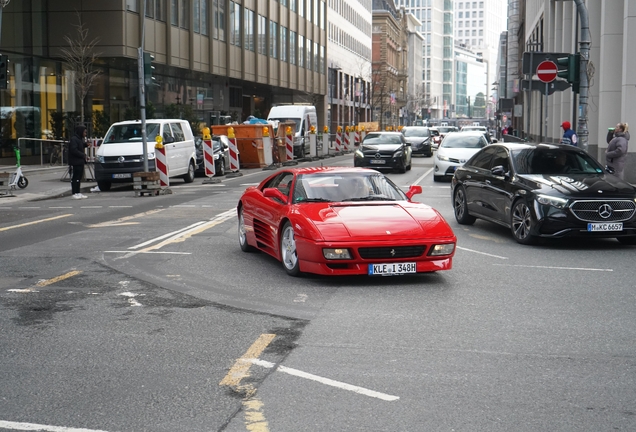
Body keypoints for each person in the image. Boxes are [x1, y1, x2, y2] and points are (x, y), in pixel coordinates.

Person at [68, 125, 88, 199]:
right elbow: (74, 150)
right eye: (84, 132)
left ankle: (78, 192)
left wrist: (85, 145)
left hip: (80, 161)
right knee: (75, 177)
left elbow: (80, 146)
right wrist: (82, 155)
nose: (85, 134)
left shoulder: (79, 139)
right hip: (75, 161)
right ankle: (74, 192)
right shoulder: (74, 139)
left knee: (79, 177)